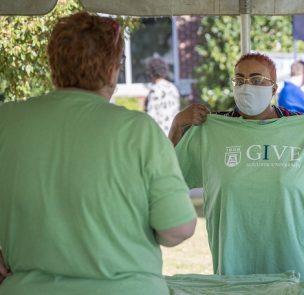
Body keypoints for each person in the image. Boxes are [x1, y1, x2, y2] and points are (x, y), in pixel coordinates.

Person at [0, 12, 197, 295]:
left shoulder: (7, 121)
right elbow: (177, 228)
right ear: (110, 70)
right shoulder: (139, 131)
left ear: (53, 63)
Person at [170, 52, 304, 285]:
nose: (247, 86)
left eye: (257, 80)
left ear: (274, 88)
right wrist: (177, 126)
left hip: (298, 270)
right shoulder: (211, 129)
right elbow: (170, 176)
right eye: (240, 79)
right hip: (235, 272)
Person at [144, 57, 181, 136]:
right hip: (174, 134)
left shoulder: (155, 90)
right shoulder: (173, 88)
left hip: (160, 135)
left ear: (151, 73)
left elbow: (151, 117)